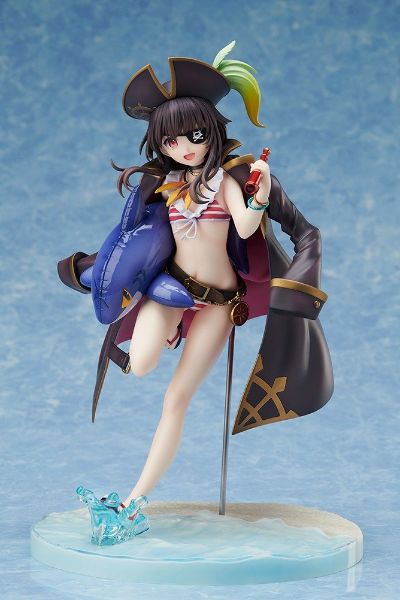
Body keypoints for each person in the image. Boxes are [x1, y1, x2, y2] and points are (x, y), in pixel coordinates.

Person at [58, 42, 333, 539]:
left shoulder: (225, 180)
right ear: (159, 145)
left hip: (219, 306)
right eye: (171, 141)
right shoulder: (164, 185)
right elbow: (139, 242)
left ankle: (133, 503)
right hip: (169, 292)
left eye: (195, 136)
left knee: (176, 399)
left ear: (212, 132)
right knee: (141, 363)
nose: (184, 148)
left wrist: (260, 195)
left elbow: (246, 229)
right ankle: (167, 335)